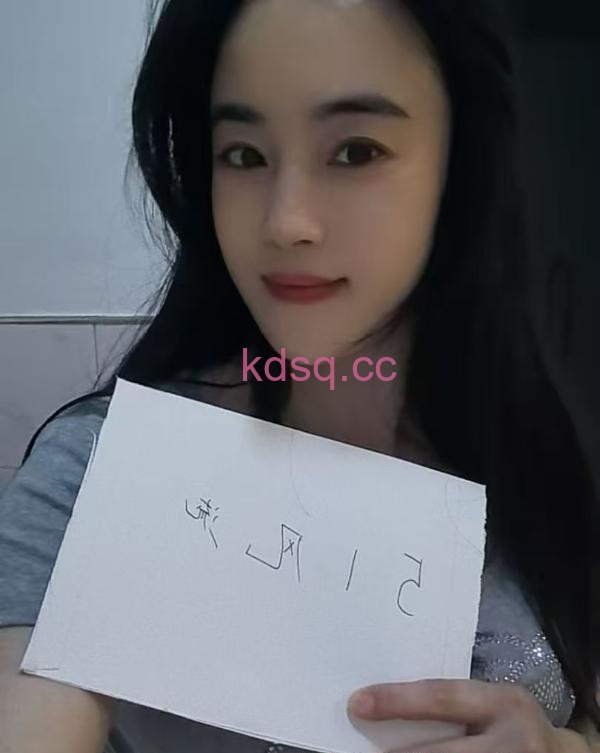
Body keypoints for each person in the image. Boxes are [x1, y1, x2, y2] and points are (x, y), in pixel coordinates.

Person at [1, 0, 599, 751]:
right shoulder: (96, 476)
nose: (286, 222)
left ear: (462, 161)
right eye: (244, 155)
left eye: (355, 151)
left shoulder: (545, 455)